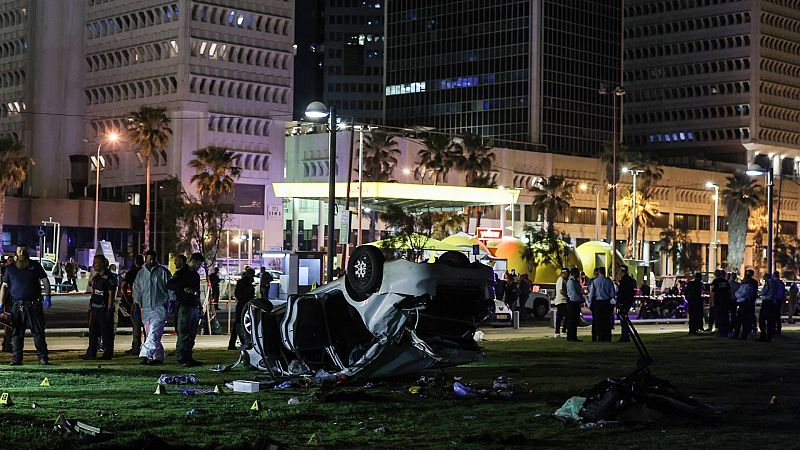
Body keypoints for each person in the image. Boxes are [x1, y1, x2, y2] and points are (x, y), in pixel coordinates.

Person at [0, 244, 52, 365]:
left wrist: (48, 297)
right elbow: (4, 286)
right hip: (16, 306)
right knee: (17, 334)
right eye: (19, 251)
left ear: (27, 253)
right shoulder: (10, 269)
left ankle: (43, 358)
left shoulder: (35, 266)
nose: (22, 253)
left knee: (38, 333)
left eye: (24, 251)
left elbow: (45, 280)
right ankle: (16, 359)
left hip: (33, 305)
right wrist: (1, 303)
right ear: (16, 254)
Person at [133, 250, 172, 365]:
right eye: (149, 259)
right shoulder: (141, 273)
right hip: (145, 308)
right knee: (152, 333)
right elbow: (137, 289)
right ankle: (158, 357)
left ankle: (145, 354)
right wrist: (137, 303)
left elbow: (170, 288)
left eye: (152, 259)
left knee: (154, 332)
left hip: (160, 307)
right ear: (145, 259)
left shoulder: (163, 272)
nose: (151, 261)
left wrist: (171, 302)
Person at [167, 253, 204, 367]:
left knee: (192, 334)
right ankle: (181, 357)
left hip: (193, 306)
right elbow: (170, 284)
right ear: (193, 261)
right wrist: (183, 288)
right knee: (184, 333)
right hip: (184, 306)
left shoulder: (195, 275)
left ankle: (188, 356)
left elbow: (197, 292)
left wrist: (200, 306)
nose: (199, 266)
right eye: (199, 264)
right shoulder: (181, 273)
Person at [81, 255, 117, 360]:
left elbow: (111, 294)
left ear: (101, 264)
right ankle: (91, 353)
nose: (93, 265)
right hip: (95, 309)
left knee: (106, 332)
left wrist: (109, 310)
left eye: (95, 263)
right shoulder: (97, 277)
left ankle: (107, 353)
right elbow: (91, 285)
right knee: (93, 332)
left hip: (104, 310)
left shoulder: (109, 277)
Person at [121, 255, 144, 355]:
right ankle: (147, 347)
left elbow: (123, 287)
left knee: (136, 326)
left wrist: (128, 300)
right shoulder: (146, 272)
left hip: (135, 303)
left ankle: (136, 348)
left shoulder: (131, 273)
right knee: (148, 327)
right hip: (147, 302)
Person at [229, 267, 256, 350]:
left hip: (243, 305)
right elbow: (239, 294)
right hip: (243, 305)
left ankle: (235, 343)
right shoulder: (246, 283)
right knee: (240, 324)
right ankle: (242, 342)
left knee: (239, 324)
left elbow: (238, 293)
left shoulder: (244, 282)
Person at [588, 267, 615, 342]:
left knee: (598, 321)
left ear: (599, 272)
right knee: (607, 321)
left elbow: (592, 293)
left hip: (598, 303)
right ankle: (607, 337)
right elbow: (612, 293)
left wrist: (590, 303)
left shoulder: (595, 281)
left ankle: (600, 337)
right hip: (606, 303)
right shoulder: (609, 281)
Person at [733, 270, 758, 340]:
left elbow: (742, 294)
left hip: (746, 303)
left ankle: (744, 335)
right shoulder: (743, 285)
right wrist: (739, 295)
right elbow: (737, 293)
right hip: (742, 303)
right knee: (739, 320)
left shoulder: (749, 286)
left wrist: (739, 296)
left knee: (745, 320)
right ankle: (736, 334)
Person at [616, 265, 636, 343]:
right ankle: (625, 335)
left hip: (624, 302)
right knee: (624, 319)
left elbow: (622, 292)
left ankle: (625, 336)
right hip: (628, 301)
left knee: (623, 319)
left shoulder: (624, 280)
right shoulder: (630, 280)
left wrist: (619, 301)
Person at [710, 269, 732, 337]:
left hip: (718, 301)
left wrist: (712, 302)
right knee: (725, 316)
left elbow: (713, 292)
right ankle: (726, 331)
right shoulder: (725, 281)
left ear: (715, 275)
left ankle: (720, 331)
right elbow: (729, 291)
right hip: (726, 301)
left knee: (719, 317)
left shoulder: (715, 282)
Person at [566, 267, 584, 342]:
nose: (578, 275)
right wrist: (580, 299)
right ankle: (570, 336)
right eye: (577, 273)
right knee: (572, 320)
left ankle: (574, 336)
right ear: (574, 273)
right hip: (572, 302)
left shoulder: (575, 282)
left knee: (575, 320)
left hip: (576, 302)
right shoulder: (571, 282)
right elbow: (573, 293)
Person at [553, 268, 569, 338]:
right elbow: (561, 291)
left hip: (560, 301)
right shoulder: (561, 280)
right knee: (567, 316)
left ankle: (557, 332)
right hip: (562, 301)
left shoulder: (560, 280)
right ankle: (563, 331)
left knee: (559, 317)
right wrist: (568, 296)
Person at [772, 272, 786, 336]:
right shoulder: (781, 283)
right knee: (777, 315)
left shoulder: (774, 282)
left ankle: (774, 329)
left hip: (775, 299)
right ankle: (778, 330)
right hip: (779, 299)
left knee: (774, 315)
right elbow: (783, 292)